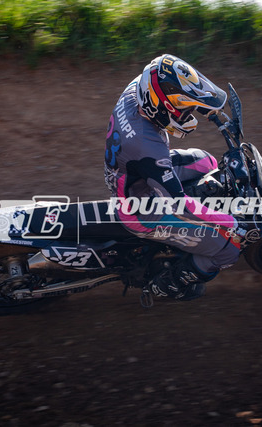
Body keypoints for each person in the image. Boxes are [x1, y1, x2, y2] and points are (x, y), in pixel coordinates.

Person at [103, 54, 251, 302]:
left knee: (207, 162)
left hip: (133, 171)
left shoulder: (139, 87)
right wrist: (231, 223)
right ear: (161, 109)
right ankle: (168, 285)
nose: (188, 114)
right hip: (139, 210)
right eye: (185, 110)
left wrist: (207, 106)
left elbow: (172, 85)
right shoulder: (147, 145)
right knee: (230, 249)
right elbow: (179, 205)